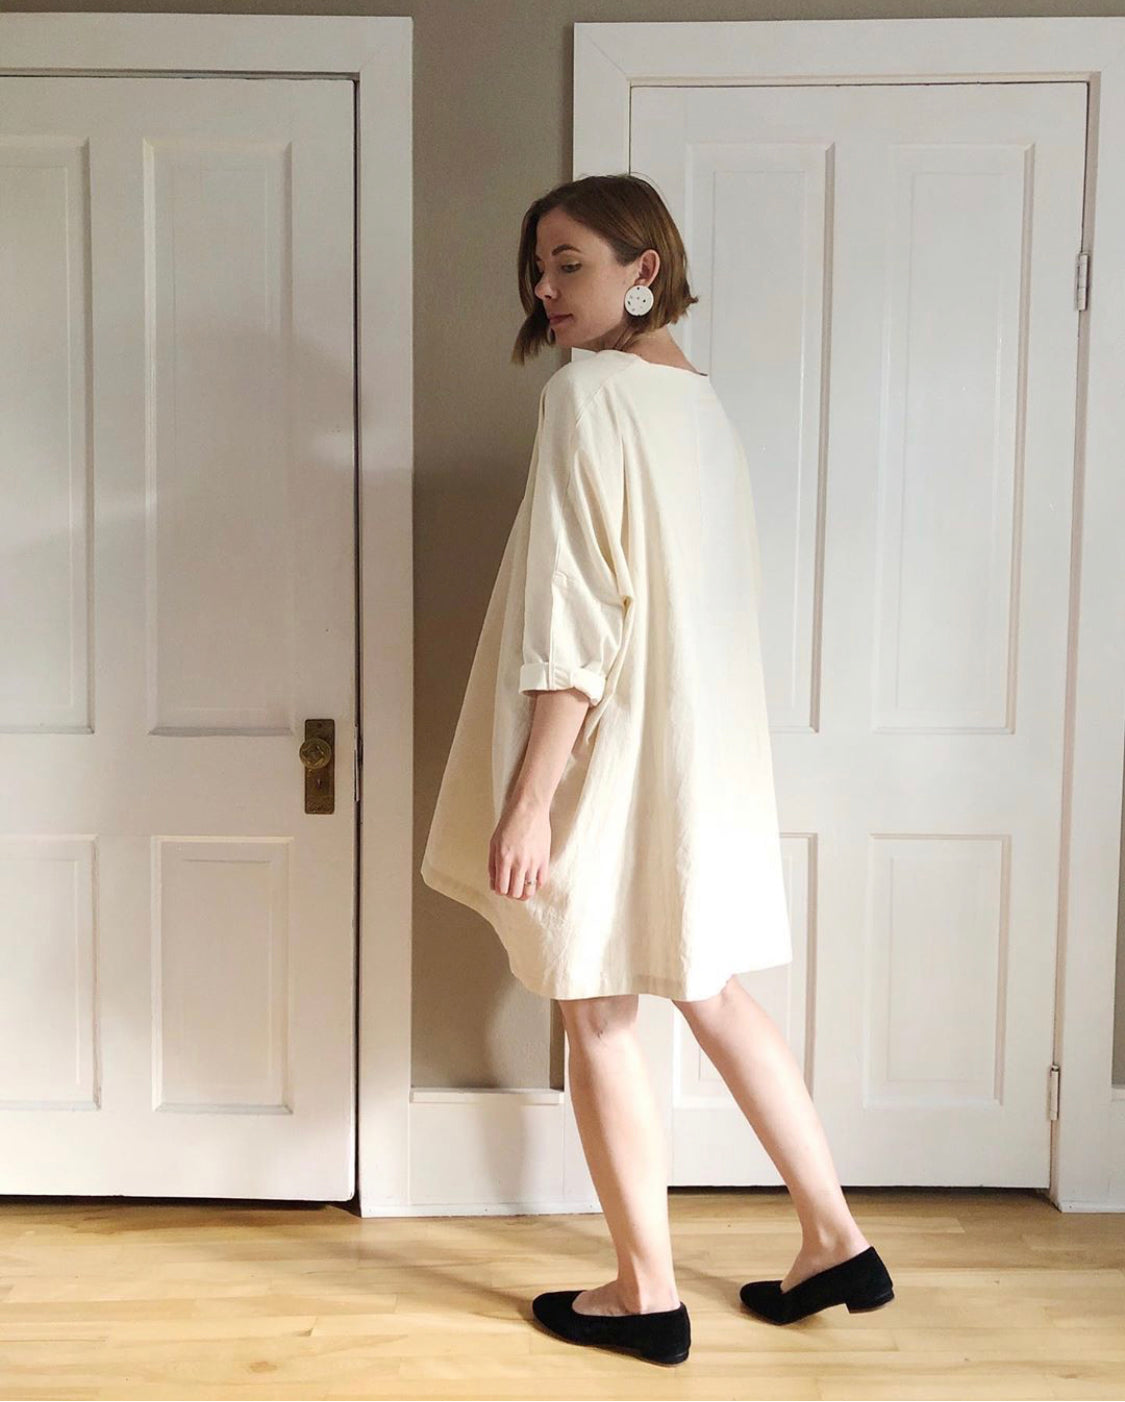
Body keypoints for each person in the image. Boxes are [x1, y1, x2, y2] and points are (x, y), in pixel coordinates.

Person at [420, 173, 893, 1366]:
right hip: (699, 762)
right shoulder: (702, 407)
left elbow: (577, 615)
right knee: (712, 987)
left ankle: (645, 1294)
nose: (545, 287)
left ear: (645, 268)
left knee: (595, 1007)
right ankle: (835, 1236)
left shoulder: (587, 397)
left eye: (569, 262)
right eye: (539, 267)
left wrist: (532, 799)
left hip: (611, 761)